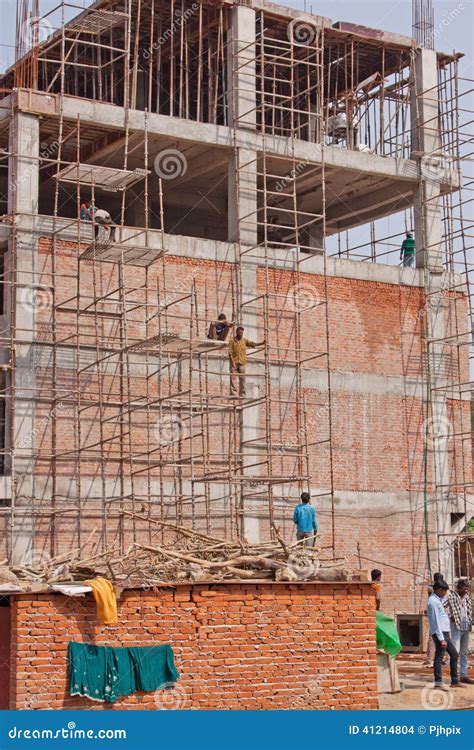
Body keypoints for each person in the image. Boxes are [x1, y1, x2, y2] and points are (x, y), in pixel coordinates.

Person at [427, 580, 463, 689]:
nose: (445, 593)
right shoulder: (432, 602)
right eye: (444, 591)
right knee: (439, 657)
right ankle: (439, 683)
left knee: (454, 655)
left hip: (444, 632)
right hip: (440, 633)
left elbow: (443, 609)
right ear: (439, 590)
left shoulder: (437, 600)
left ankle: (454, 681)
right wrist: (441, 639)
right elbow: (435, 621)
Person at [445, 579, 473, 684]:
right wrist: (450, 616)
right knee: (455, 652)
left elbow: (469, 612)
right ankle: (455, 676)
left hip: (466, 627)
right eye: (464, 589)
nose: (466, 591)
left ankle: (463, 674)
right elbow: (442, 608)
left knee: (464, 652)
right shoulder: (451, 597)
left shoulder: (467, 598)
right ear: (459, 588)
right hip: (456, 628)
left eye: (467, 589)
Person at [228, 325, 264, 398]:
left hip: (242, 363)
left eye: (242, 333)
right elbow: (230, 353)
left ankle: (242, 394)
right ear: (237, 332)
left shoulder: (244, 340)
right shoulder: (232, 341)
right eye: (240, 333)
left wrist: (262, 343)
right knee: (233, 379)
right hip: (234, 363)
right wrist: (233, 363)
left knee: (243, 380)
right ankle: (233, 394)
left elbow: (252, 344)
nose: (241, 334)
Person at [424, 572, 444, 667]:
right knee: (437, 636)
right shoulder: (432, 588)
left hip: (440, 614)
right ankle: (431, 658)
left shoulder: (433, 588)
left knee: (435, 637)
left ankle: (430, 658)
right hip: (438, 614)